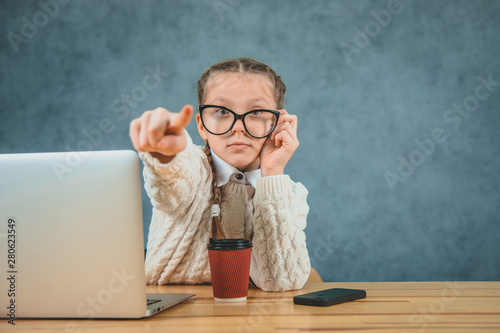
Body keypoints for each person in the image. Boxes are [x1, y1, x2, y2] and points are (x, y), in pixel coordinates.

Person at [129, 57, 310, 292]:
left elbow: (282, 282)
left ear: (276, 123)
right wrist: (164, 151)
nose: (238, 126)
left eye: (256, 112)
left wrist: (273, 172)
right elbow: (173, 173)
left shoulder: (288, 194)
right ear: (202, 125)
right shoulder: (194, 170)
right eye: (222, 111)